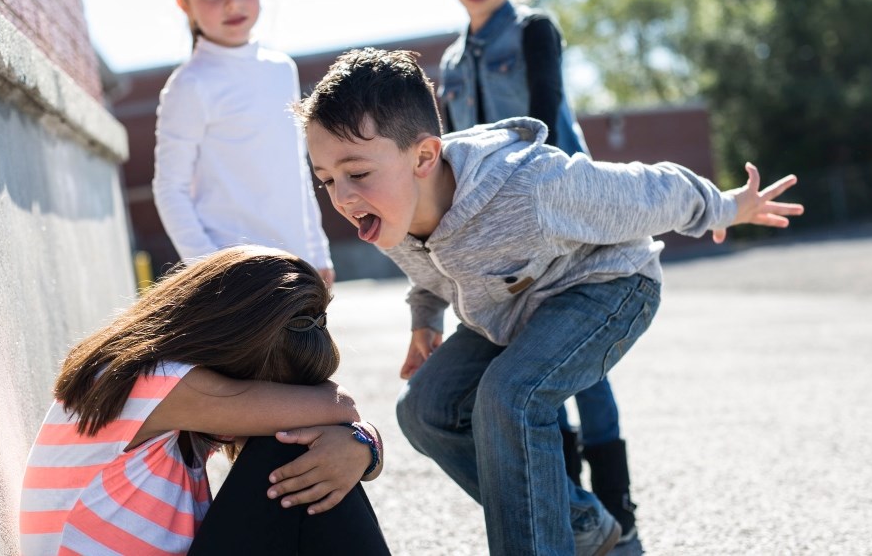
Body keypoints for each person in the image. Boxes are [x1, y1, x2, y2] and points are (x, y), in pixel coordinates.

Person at [297, 48, 802, 556]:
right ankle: (580, 523)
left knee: (509, 396)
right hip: (511, 311)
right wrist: (424, 321)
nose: (341, 196)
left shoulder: (530, 187)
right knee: (424, 410)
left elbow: (651, 190)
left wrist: (726, 207)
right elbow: (430, 275)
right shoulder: (397, 214)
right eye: (326, 179)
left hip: (607, 288)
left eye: (356, 173)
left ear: (424, 157)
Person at [437, 0, 626, 539]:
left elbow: (545, 110)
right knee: (534, 361)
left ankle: (619, 510)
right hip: (500, 235)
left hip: (565, 215)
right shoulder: (449, 62)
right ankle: (571, 512)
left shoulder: (533, 30)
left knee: (584, 367)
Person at [18, 246, 390, 555]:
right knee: (289, 447)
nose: (279, 401)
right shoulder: (151, 380)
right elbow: (339, 408)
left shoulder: (173, 399)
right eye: (276, 389)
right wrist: (360, 439)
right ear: (235, 349)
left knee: (311, 451)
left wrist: (360, 447)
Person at [153, 0, 334, 286]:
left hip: (298, 266)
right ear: (185, 5)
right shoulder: (190, 85)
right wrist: (210, 269)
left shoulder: (282, 69)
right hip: (236, 279)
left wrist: (318, 252)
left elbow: (296, 171)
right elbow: (169, 188)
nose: (233, 3)